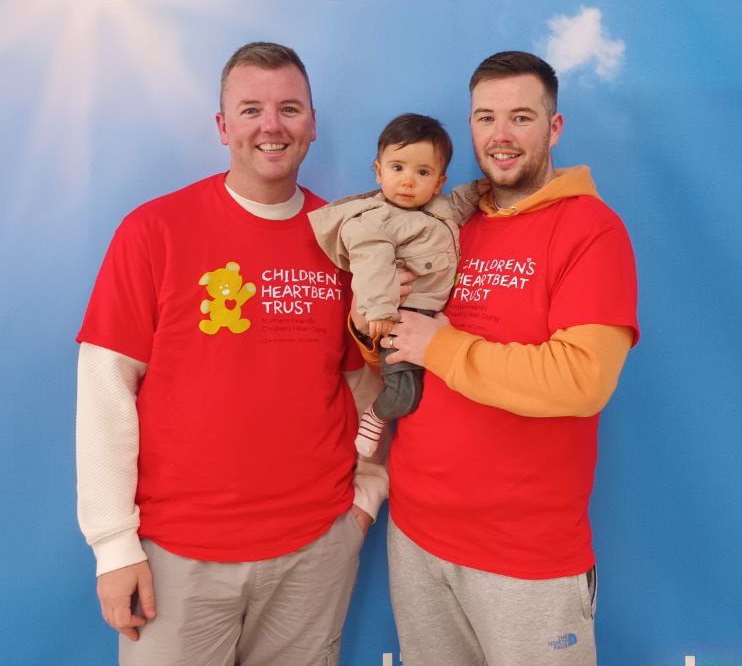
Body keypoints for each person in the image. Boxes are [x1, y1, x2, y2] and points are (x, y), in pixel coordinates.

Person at [76, 42, 388, 666]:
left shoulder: (348, 238)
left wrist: (365, 498)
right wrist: (113, 545)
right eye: (251, 110)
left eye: (289, 109)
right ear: (223, 127)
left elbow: (367, 386)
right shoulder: (155, 230)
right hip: (177, 556)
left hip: (315, 549)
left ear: (312, 124)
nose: (271, 126)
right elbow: (105, 387)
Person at [371, 51, 639, 666]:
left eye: (521, 117)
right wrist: (378, 324)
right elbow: (393, 344)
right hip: (416, 535)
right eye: (486, 117)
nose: (501, 135)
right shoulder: (448, 221)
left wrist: (440, 346)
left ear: (554, 127)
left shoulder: (591, 230)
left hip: (525, 556)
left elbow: (581, 380)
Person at [309, 113, 479, 456]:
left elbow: (463, 203)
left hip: (432, 318)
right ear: (378, 171)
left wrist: (485, 187)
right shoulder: (374, 218)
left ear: (439, 181)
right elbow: (372, 263)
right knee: (405, 395)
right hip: (399, 317)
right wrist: (381, 310)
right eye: (397, 168)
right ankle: (375, 415)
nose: (408, 181)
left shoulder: (441, 207)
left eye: (423, 172)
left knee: (434, 386)